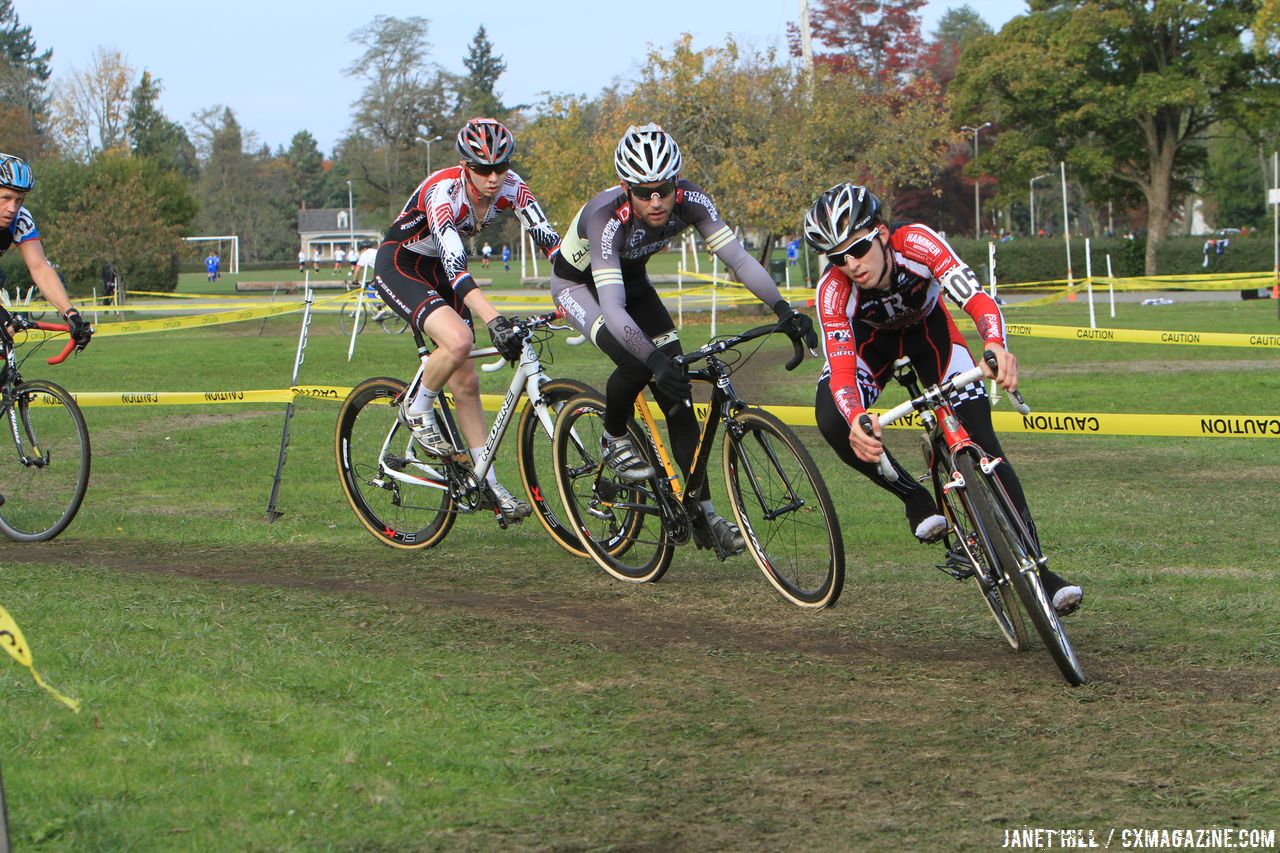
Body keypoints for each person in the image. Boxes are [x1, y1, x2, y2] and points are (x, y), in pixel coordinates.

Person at [803, 182, 1082, 615]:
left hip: (930, 338)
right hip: (870, 350)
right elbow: (841, 367)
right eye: (837, 257)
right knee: (832, 417)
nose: (851, 264)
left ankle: (1040, 573)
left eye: (857, 249)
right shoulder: (833, 291)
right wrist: (857, 416)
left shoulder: (917, 242)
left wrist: (995, 345)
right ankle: (914, 498)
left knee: (984, 442)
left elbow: (976, 298)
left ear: (881, 232)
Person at [550, 123, 818, 556]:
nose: (656, 202)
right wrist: (652, 360)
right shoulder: (605, 218)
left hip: (632, 283)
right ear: (626, 188)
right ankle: (613, 437)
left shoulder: (692, 199)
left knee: (677, 397)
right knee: (637, 362)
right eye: (644, 193)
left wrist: (782, 308)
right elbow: (613, 309)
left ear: (677, 182)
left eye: (664, 190)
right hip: (581, 289)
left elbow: (738, 258)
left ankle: (704, 515)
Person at [372, 117, 561, 520]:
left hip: (440, 270)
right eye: (482, 169)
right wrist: (495, 320)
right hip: (402, 265)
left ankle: (486, 482)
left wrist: (580, 291)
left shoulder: (513, 187)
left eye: (501, 167)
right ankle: (417, 408)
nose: (493, 178)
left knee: (468, 382)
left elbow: (550, 243)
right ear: (465, 165)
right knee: (459, 341)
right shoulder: (444, 193)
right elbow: (458, 270)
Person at [0, 153, 93, 353]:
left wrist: (71, 314)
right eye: (5, 198)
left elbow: (40, 267)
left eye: (19, 200)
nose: (12, 208)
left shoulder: (20, 218)